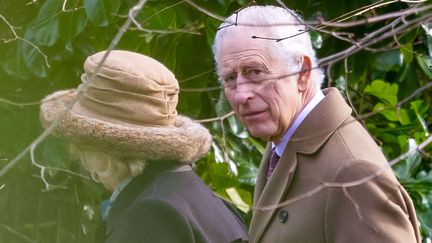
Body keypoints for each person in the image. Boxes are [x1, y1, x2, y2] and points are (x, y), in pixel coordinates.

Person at [212, 5, 420, 243]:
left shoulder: (353, 172)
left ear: (302, 72)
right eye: (230, 78)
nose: (241, 95)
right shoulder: (283, 141)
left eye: (255, 72)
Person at [39, 50, 249, 243]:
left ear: (102, 146)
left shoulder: (150, 214)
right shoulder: (196, 197)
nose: (74, 151)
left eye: (79, 139)